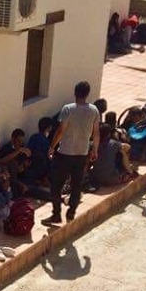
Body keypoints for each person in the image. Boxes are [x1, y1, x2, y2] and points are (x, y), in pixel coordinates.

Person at [43, 80, 100, 225]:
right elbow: (96, 133)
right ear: (87, 94)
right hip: (82, 153)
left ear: (75, 93)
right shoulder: (94, 110)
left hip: (65, 153)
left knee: (56, 185)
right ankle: (71, 213)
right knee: (76, 185)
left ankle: (56, 214)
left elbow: (61, 131)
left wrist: (52, 146)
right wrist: (95, 149)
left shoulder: (68, 109)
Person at [26, 117, 54, 184]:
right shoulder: (45, 141)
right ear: (49, 128)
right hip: (40, 164)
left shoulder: (33, 136)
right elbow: (48, 155)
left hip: (32, 164)